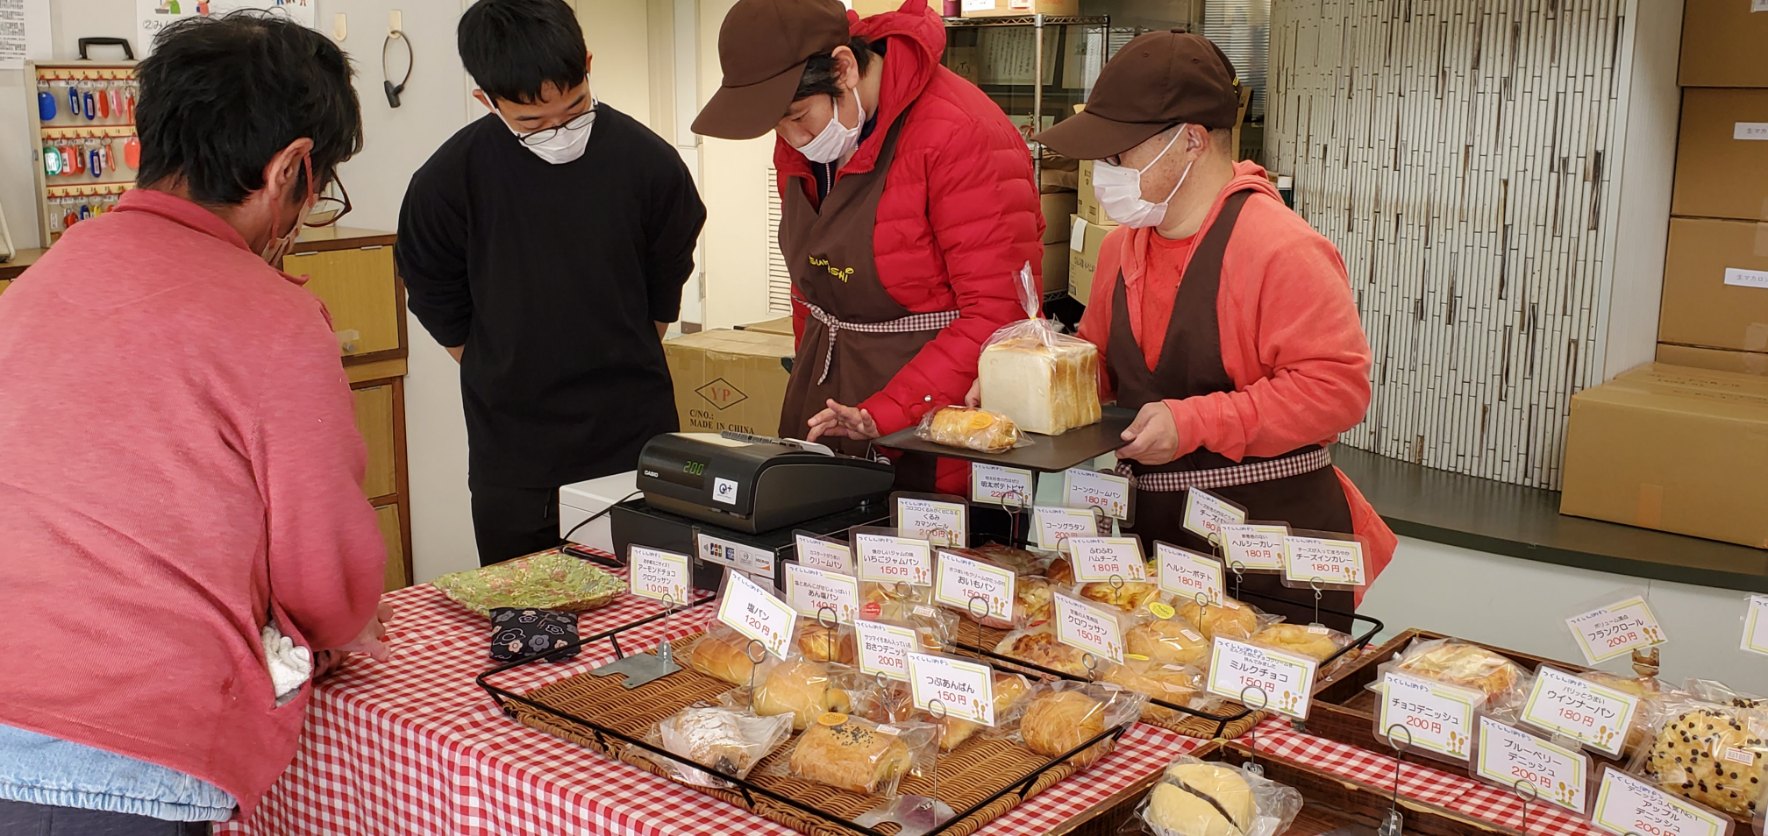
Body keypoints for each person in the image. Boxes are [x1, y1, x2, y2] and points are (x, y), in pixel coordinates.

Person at [0, 12, 388, 834]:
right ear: (291, 168)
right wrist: (350, 621)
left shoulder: (35, 285)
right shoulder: (273, 320)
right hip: (131, 746)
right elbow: (323, 579)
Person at [1036, 31, 1397, 628]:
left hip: (1269, 544)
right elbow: (1103, 371)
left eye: (1117, 154)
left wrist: (1195, 421)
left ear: (1191, 142)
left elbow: (1337, 390)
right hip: (1153, 534)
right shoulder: (1122, 247)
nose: (1102, 174)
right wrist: (1036, 377)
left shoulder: (1281, 248)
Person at [399, 0, 708, 565]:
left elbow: (665, 284)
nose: (559, 130)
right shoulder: (447, 183)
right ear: (486, 101)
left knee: (649, 612)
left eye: (575, 108)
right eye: (532, 122)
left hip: (633, 439)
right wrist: (507, 365)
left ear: (588, 64)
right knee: (527, 619)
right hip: (515, 458)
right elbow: (435, 294)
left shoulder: (651, 166)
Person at [692, 0, 1040, 495]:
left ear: (844, 67)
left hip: (936, 423)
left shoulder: (960, 133)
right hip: (828, 407)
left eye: (796, 117)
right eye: (777, 127)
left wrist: (886, 411)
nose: (792, 138)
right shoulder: (807, 137)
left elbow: (1001, 316)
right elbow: (809, 284)